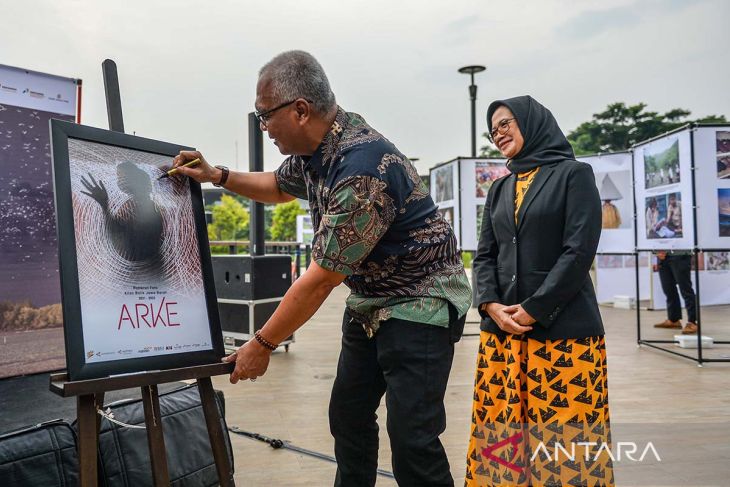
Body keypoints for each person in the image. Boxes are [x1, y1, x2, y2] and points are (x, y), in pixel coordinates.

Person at [172, 50, 471, 487]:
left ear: (299, 110)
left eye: (264, 116)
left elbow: (320, 280)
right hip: (372, 300)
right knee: (348, 416)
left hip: (421, 301)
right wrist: (217, 175)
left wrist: (262, 343)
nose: (263, 128)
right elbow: (277, 185)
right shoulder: (317, 151)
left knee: (412, 437)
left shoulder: (360, 169)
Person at [465, 96, 613, 486]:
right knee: (504, 440)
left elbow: (579, 251)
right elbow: (484, 256)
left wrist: (533, 308)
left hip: (563, 337)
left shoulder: (573, 174)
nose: (498, 133)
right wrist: (490, 304)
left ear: (532, 123)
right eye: (493, 128)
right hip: (503, 336)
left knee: (564, 445)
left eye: (506, 123)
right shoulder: (499, 189)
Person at [653, 250, 698, 334]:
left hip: (680, 254)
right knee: (668, 289)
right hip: (662, 257)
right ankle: (673, 319)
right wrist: (657, 253)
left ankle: (692, 322)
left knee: (685, 289)